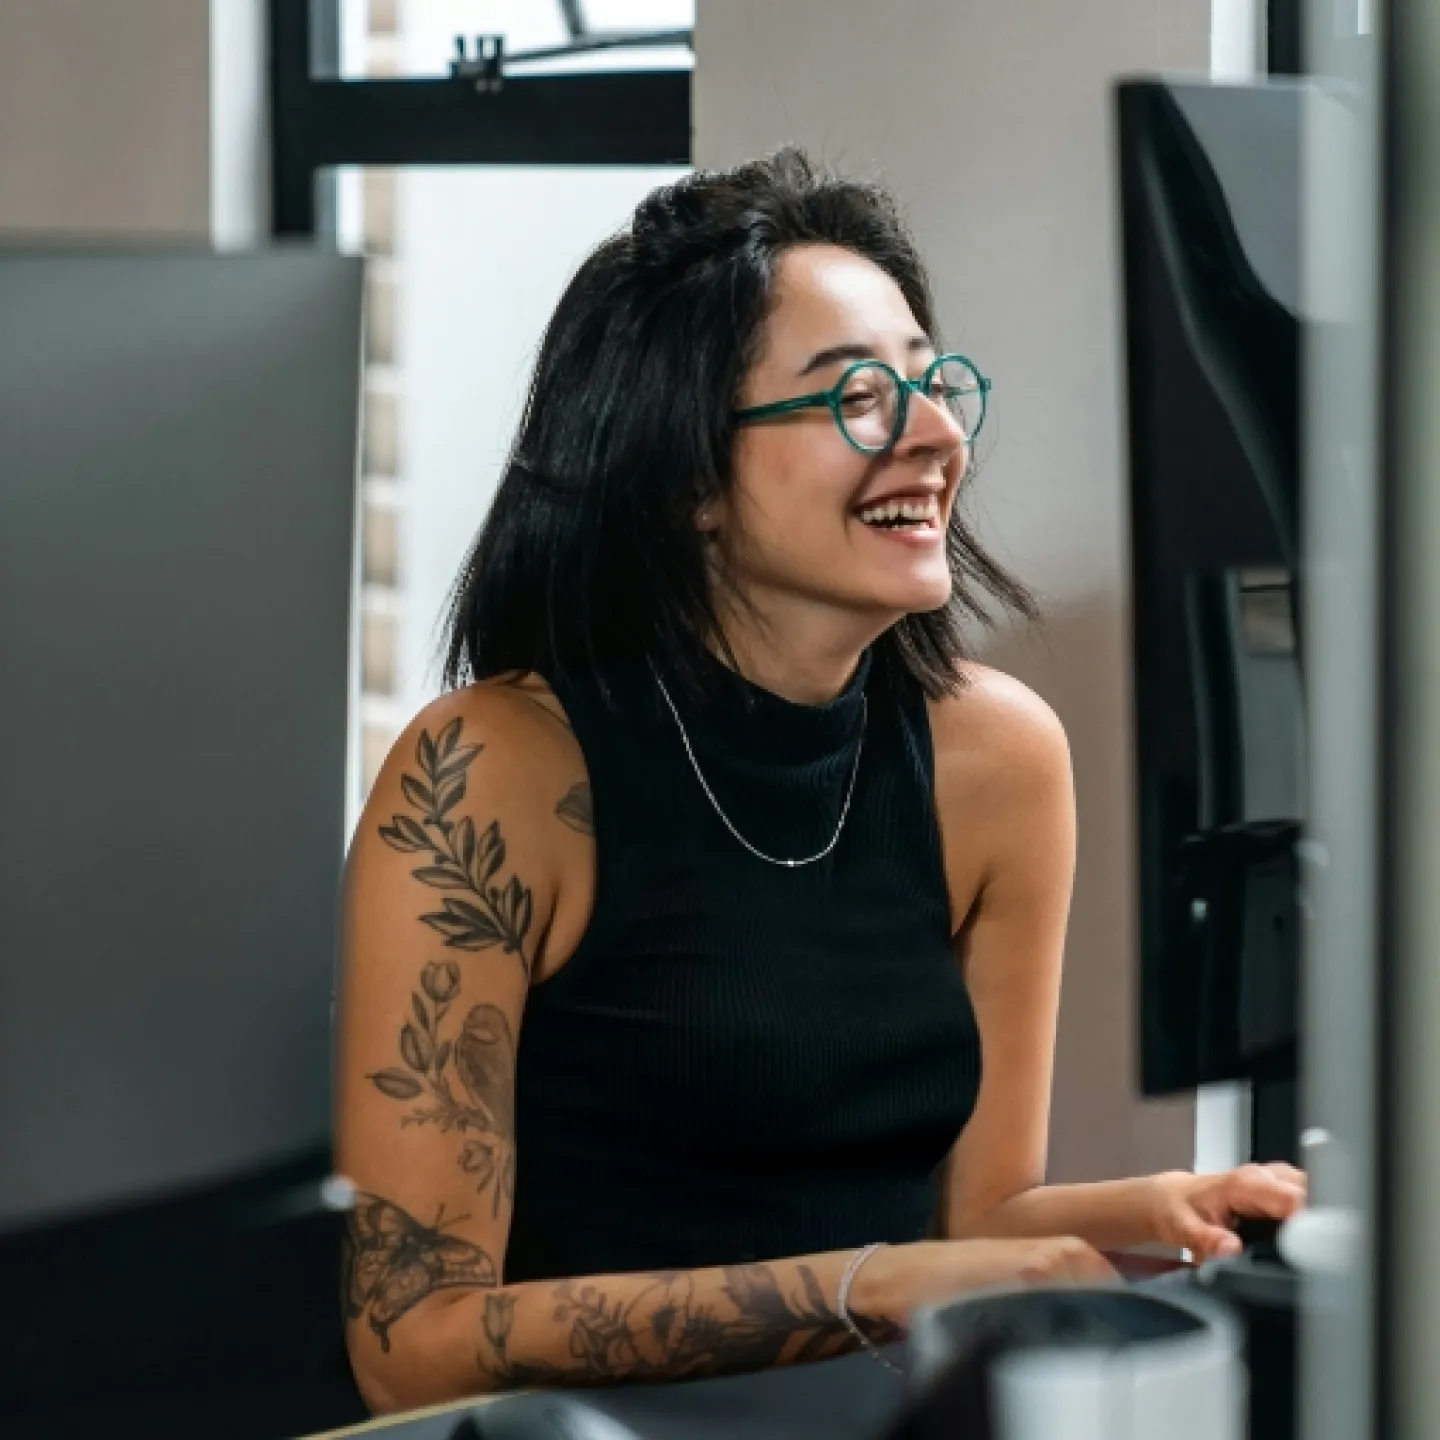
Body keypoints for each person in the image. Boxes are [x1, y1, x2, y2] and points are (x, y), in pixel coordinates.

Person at [334, 148, 1305, 1415]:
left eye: (932, 382)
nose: (938, 435)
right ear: (688, 476)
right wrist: (869, 1285)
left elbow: (981, 1208)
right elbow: (412, 1338)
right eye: (859, 396)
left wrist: (1158, 1210)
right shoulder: (486, 780)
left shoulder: (998, 756)